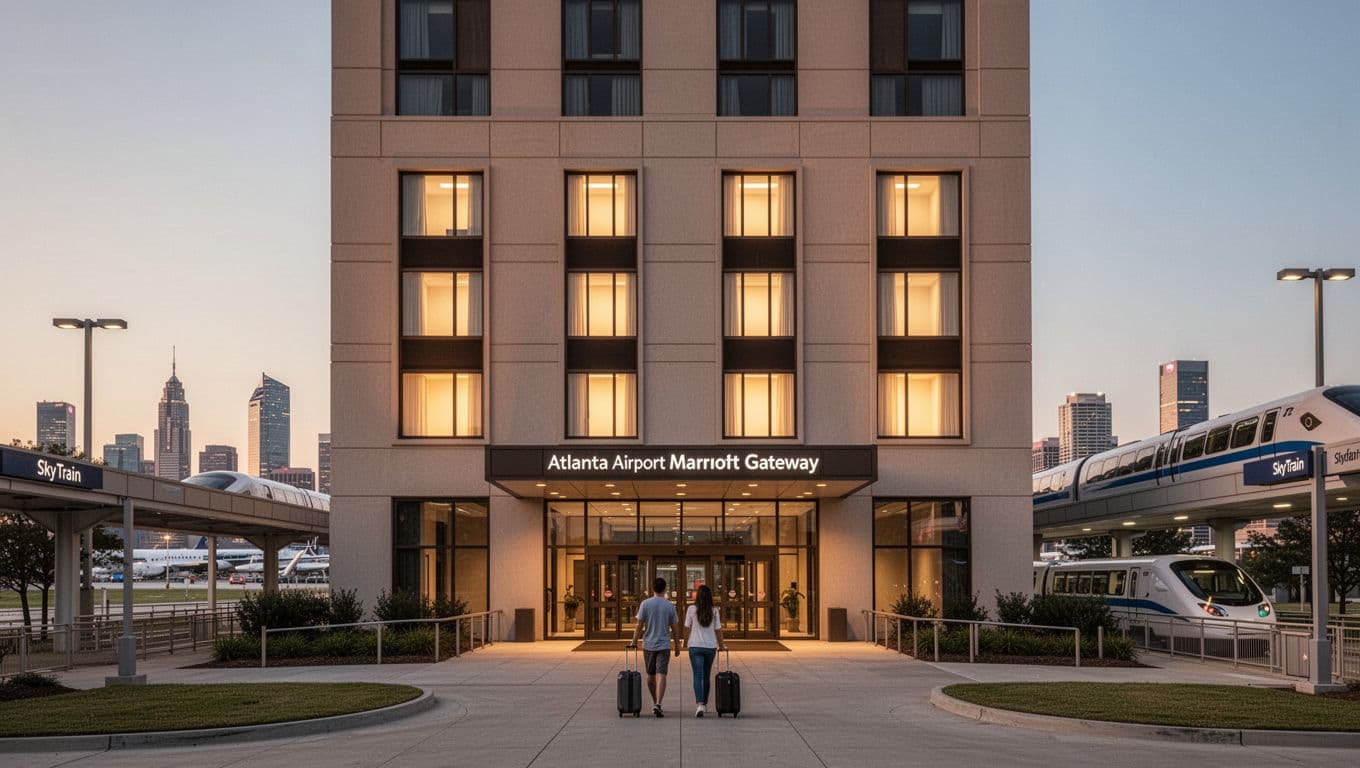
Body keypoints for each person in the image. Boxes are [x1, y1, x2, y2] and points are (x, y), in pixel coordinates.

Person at [627, 577, 681, 717]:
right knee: (661, 674)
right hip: (664, 645)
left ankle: (654, 702)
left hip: (649, 645)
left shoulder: (645, 604)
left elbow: (639, 625)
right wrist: (677, 644)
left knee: (650, 675)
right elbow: (675, 627)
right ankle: (658, 703)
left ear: (653, 589)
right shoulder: (670, 606)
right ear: (665, 589)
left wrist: (634, 642)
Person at [683, 584, 726, 717]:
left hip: (695, 646)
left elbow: (686, 628)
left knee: (697, 675)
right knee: (706, 675)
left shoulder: (691, 609)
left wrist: (685, 642)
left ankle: (700, 704)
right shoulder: (714, 611)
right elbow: (718, 630)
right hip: (710, 647)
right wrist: (722, 645)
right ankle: (705, 704)